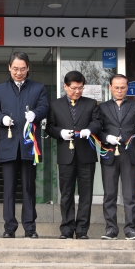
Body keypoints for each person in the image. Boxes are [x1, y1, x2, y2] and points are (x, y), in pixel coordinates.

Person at [0, 51, 49, 238]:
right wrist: (1, 118)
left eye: (22, 69)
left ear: (28, 68)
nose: (19, 72)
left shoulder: (38, 88)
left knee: (28, 188)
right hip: (8, 144)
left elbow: (45, 107)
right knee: (8, 189)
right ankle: (9, 228)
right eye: (15, 68)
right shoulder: (0, 89)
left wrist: (35, 114)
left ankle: (30, 228)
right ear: (9, 67)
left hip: (29, 145)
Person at [45, 70, 101, 239]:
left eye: (80, 88)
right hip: (66, 155)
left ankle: (82, 230)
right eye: (74, 88)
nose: (77, 91)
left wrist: (89, 130)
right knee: (66, 194)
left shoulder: (91, 103)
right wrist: (60, 133)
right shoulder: (55, 105)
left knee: (86, 194)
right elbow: (50, 127)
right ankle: (67, 229)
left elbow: (98, 122)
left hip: (86, 155)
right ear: (65, 86)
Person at [98, 74, 135, 240]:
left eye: (122, 87)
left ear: (127, 88)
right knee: (109, 194)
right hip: (109, 153)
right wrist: (106, 137)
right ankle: (111, 229)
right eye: (116, 87)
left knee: (130, 195)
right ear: (110, 87)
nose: (119, 90)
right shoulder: (103, 107)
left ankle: (130, 230)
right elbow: (98, 129)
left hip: (130, 153)